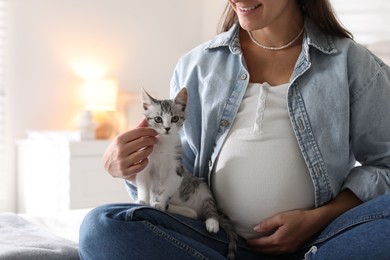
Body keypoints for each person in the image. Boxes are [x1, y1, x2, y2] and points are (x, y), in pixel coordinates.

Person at [79, 0, 390, 259]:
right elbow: (179, 181)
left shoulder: (351, 63)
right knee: (101, 227)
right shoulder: (198, 66)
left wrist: (316, 220)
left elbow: (386, 166)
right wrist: (134, 169)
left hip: (320, 243)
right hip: (216, 241)